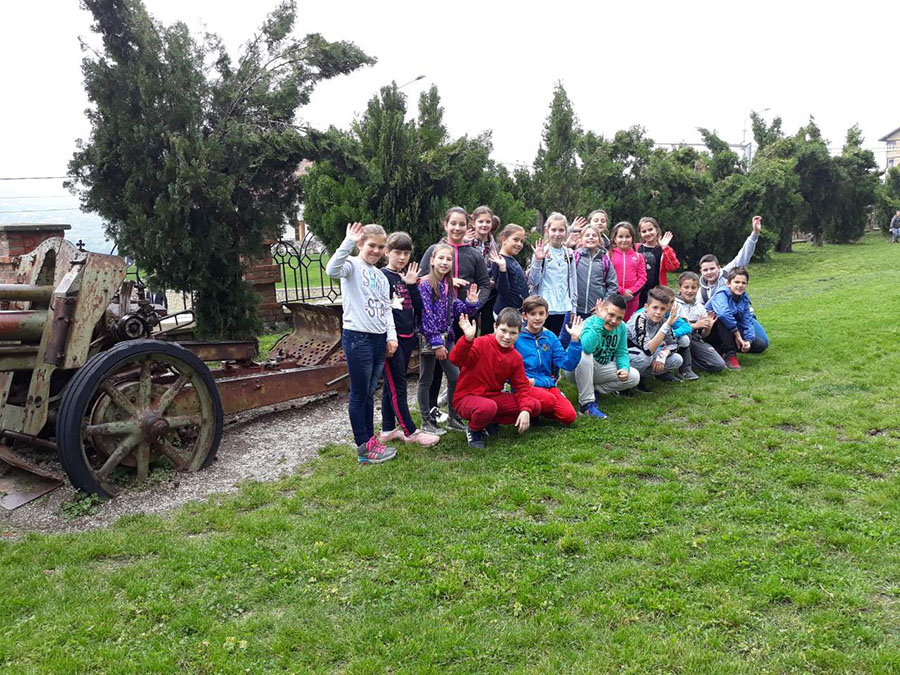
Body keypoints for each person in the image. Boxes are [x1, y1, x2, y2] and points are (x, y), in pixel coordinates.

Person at [325, 222, 398, 464]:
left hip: (378, 339)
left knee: (369, 392)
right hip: (358, 338)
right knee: (359, 393)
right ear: (360, 245)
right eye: (371, 245)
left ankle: (370, 440)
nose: (376, 251)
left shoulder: (381, 276)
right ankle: (363, 447)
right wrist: (347, 242)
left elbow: (386, 308)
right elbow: (331, 269)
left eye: (380, 247)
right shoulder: (351, 266)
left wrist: (391, 336)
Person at [420, 207, 492, 423]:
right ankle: (431, 411)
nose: (457, 228)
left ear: (468, 227)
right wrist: (449, 283)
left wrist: (475, 305)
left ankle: (458, 410)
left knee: (460, 367)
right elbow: (423, 278)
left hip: (462, 319)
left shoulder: (474, 254)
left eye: (462, 224)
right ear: (445, 225)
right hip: (434, 322)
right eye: (453, 223)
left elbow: (485, 284)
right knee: (432, 371)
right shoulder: (434, 250)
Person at [378, 232, 440, 448]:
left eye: (406, 253)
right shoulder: (382, 277)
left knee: (392, 387)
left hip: (406, 338)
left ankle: (387, 429)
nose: (402, 257)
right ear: (387, 252)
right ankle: (411, 432)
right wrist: (387, 338)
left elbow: (419, 308)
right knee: (399, 387)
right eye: (398, 252)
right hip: (391, 340)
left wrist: (412, 285)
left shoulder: (404, 277)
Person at [451, 309, 541, 448]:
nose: (507, 337)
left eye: (513, 333)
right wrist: (467, 340)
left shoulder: (515, 357)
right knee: (488, 407)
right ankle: (474, 429)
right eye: (503, 331)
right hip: (467, 398)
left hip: (493, 397)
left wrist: (525, 410)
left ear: (519, 334)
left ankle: (489, 421)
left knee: (534, 406)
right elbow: (455, 359)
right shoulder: (480, 343)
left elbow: (521, 386)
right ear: (495, 327)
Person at [417, 244, 480, 433]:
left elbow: (457, 308)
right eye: (441, 258)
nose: (444, 262)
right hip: (431, 341)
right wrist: (436, 343)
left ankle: (453, 417)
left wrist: (471, 303)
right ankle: (425, 420)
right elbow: (426, 315)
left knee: (455, 377)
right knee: (426, 379)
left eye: (448, 259)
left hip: (448, 338)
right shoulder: (426, 284)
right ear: (432, 261)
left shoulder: (447, 284)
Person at [562, 294, 640, 416]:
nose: (614, 321)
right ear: (602, 310)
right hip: (574, 368)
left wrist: (624, 368)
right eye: (611, 315)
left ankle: (594, 390)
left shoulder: (621, 327)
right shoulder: (588, 323)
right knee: (584, 354)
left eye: (619, 318)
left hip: (600, 366)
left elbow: (622, 352)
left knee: (634, 376)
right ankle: (587, 404)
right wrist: (599, 322)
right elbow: (587, 348)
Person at [698, 215, 768, 348]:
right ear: (701, 271)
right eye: (705, 270)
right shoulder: (700, 292)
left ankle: (739, 343)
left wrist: (755, 233)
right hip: (721, 322)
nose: (710, 272)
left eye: (712, 268)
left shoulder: (728, 273)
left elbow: (744, 255)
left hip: (741, 316)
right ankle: (728, 346)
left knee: (763, 343)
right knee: (722, 320)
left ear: (718, 267)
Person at [515, 295, 583, 426]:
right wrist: (525, 381)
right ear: (525, 316)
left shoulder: (550, 337)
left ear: (547, 315)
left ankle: (537, 408)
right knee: (548, 400)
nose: (537, 318)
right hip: (525, 385)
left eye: (541, 313)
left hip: (546, 384)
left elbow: (567, 364)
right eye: (533, 314)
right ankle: (531, 409)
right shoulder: (517, 337)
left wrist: (575, 340)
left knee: (569, 416)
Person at [704, 267, 767, 370]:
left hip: (731, 331)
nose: (740, 285)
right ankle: (730, 355)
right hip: (711, 331)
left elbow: (747, 320)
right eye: (737, 282)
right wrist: (738, 335)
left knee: (760, 345)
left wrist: (748, 341)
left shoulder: (744, 298)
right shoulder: (721, 294)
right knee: (723, 319)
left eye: (743, 283)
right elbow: (723, 314)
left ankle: (720, 350)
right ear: (728, 283)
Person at [526, 212, 577, 337]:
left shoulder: (569, 254)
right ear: (547, 231)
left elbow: (573, 282)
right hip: (542, 304)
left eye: (561, 230)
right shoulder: (541, 251)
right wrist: (538, 260)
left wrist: (574, 307)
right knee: (538, 337)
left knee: (552, 339)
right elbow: (533, 281)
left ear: (566, 232)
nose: (557, 234)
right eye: (554, 230)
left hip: (561, 305)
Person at [626, 285, 684, 389]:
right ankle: (625, 383)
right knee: (645, 358)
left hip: (644, 353)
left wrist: (662, 356)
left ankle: (640, 378)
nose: (658, 312)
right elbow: (648, 350)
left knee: (677, 359)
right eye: (655, 308)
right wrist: (666, 326)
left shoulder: (662, 320)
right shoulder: (639, 319)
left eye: (662, 309)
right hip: (624, 354)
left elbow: (674, 344)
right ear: (646, 307)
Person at [673, 271, 725, 378]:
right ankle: (685, 370)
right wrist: (695, 325)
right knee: (686, 336)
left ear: (698, 289)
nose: (690, 291)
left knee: (718, 365)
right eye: (686, 287)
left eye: (693, 288)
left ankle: (687, 361)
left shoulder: (700, 307)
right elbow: (672, 327)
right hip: (676, 339)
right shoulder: (674, 305)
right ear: (679, 288)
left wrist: (708, 327)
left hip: (695, 339)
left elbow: (703, 335)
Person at [468, 205, 500, 334]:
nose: (484, 225)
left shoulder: (494, 245)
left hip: (490, 291)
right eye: (480, 221)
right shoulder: (468, 242)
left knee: (488, 327)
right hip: (472, 289)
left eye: (487, 222)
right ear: (473, 223)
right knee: (471, 324)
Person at [636, 216, 679, 307]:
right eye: (644, 231)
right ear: (640, 233)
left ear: (657, 230)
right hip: (638, 292)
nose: (648, 233)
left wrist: (665, 247)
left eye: (650, 229)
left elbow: (673, 266)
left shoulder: (664, 249)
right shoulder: (637, 248)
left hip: (657, 291)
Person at [608, 221, 647, 321]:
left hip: (632, 299)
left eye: (627, 236)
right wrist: (621, 291)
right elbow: (606, 277)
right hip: (613, 297)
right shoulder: (609, 255)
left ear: (632, 238)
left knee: (629, 323)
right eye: (620, 237)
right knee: (613, 322)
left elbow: (642, 278)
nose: (624, 240)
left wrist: (631, 292)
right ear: (614, 239)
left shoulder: (638, 257)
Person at [488, 224, 529, 315]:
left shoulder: (511, 259)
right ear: (504, 240)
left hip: (517, 310)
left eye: (522, 241)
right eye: (515, 239)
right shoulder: (499, 261)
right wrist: (502, 269)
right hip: (506, 313)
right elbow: (502, 290)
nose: (519, 244)